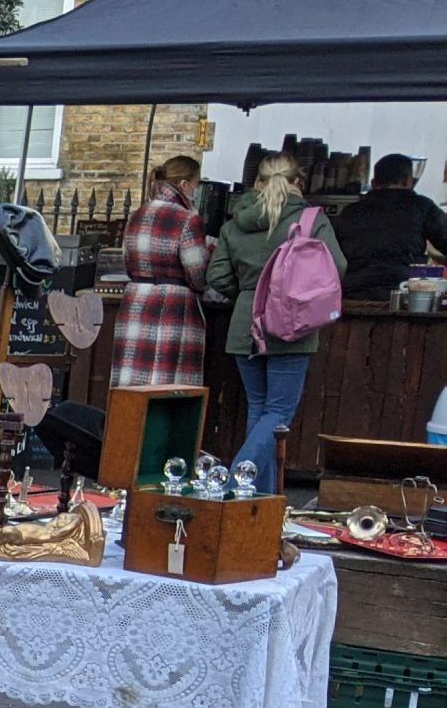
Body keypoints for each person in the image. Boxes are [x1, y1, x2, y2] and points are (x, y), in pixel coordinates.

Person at [207, 153, 347, 492]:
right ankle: (239, 475)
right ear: (298, 183)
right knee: (279, 411)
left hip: (245, 324)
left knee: (260, 409)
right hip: (292, 322)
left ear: (257, 184)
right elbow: (338, 267)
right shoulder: (313, 220)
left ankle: (257, 497)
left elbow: (217, 275)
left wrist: (249, 292)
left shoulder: (233, 223)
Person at [112, 156, 212, 388]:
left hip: (136, 300)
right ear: (185, 185)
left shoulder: (137, 215)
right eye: (198, 184)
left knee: (132, 387)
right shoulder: (188, 219)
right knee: (168, 386)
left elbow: (127, 262)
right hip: (174, 307)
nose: (198, 190)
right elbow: (197, 274)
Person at [333, 153, 447, 301]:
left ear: (374, 182)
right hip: (404, 292)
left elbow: (333, 255)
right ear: (408, 180)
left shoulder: (350, 212)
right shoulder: (420, 206)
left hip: (355, 293)